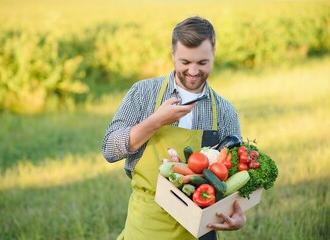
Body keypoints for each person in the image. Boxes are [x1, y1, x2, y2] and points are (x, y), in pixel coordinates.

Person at [102, 16, 246, 240]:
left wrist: (238, 215)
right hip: (147, 224)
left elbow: (236, 178)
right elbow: (109, 150)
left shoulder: (225, 111)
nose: (193, 71)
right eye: (185, 62)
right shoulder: (143, 93)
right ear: (172, 54)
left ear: (213, 55)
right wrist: (156, 121)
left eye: (202, 63)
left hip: (200, 227)